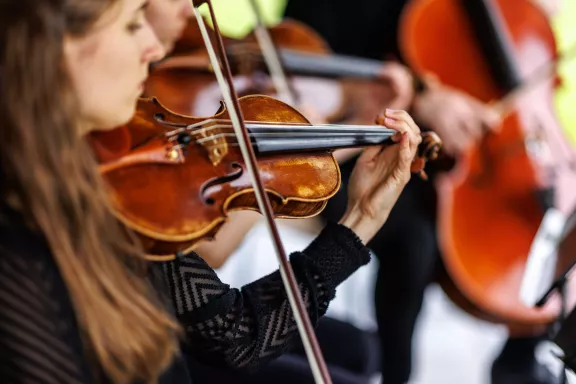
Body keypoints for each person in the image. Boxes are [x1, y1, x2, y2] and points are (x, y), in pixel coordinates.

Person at [0, 1, 424, 384]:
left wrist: (362, 217)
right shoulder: (21, 250)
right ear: (57, 49)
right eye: (132, 24)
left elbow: (234, 337)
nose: (151, 47)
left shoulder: (111, 180)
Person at [282, 1, 561, 384]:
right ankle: (397, 372)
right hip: (347, 145)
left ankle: (523, 350)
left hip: (447, 155)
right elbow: (315, 65)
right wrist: (419, 97)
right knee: (416, 241)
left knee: (550, 229)